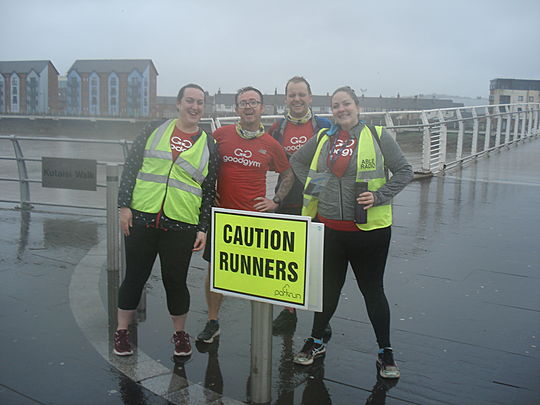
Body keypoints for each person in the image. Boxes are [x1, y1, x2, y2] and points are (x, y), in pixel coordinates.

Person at [290, 86, 413, 379]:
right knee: (328, 290)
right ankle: (317, 340)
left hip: (369, 232)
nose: (341, 109)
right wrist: (317, 185)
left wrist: (380, 195)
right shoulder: (324, 137)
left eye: (346, 104)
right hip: (330, 228)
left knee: (373, 291)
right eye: (335, 105)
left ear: (357, 106)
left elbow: (405, 171)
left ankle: (385, 351)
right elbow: (296, 161)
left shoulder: (378, 136)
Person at [113, 83, 218, 357]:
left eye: (199, 102)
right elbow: (132, 167)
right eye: (190, 101)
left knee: (175, 281)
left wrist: (203, 228)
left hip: (181, 224)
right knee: (135, 277)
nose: (194, 107)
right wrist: (124, 206)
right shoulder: (154, 130)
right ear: (178, 103)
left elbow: (208, 190)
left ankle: (179, 334)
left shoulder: (209, 143)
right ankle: (122, 330)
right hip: (142, 218)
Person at [196, 86, 295, 343]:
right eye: (243, 103)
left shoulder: (271, 144)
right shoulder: (221, 135)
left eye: (253, 102)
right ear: (237, 109)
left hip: (254, 219)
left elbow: (288, 174)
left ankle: (260, 329)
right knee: (215, 272)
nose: (248, 107)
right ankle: (212, 321)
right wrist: (207, 191)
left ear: (262, 108)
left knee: (256, 275)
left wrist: (275, 200)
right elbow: (198, 159)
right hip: (222, 217)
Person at [268, 76, 332, 336]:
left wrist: (313, 198)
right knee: (287, 260)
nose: (296, 99)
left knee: (319, 262)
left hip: (316, 201)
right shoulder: (277, 128)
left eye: (301, 95)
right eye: (292, 95)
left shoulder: (324, 126)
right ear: (286, 99)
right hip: (285, 200)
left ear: (310, 97)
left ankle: (322, 316)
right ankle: (288, 311)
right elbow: (270, 161)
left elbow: (331, 162)